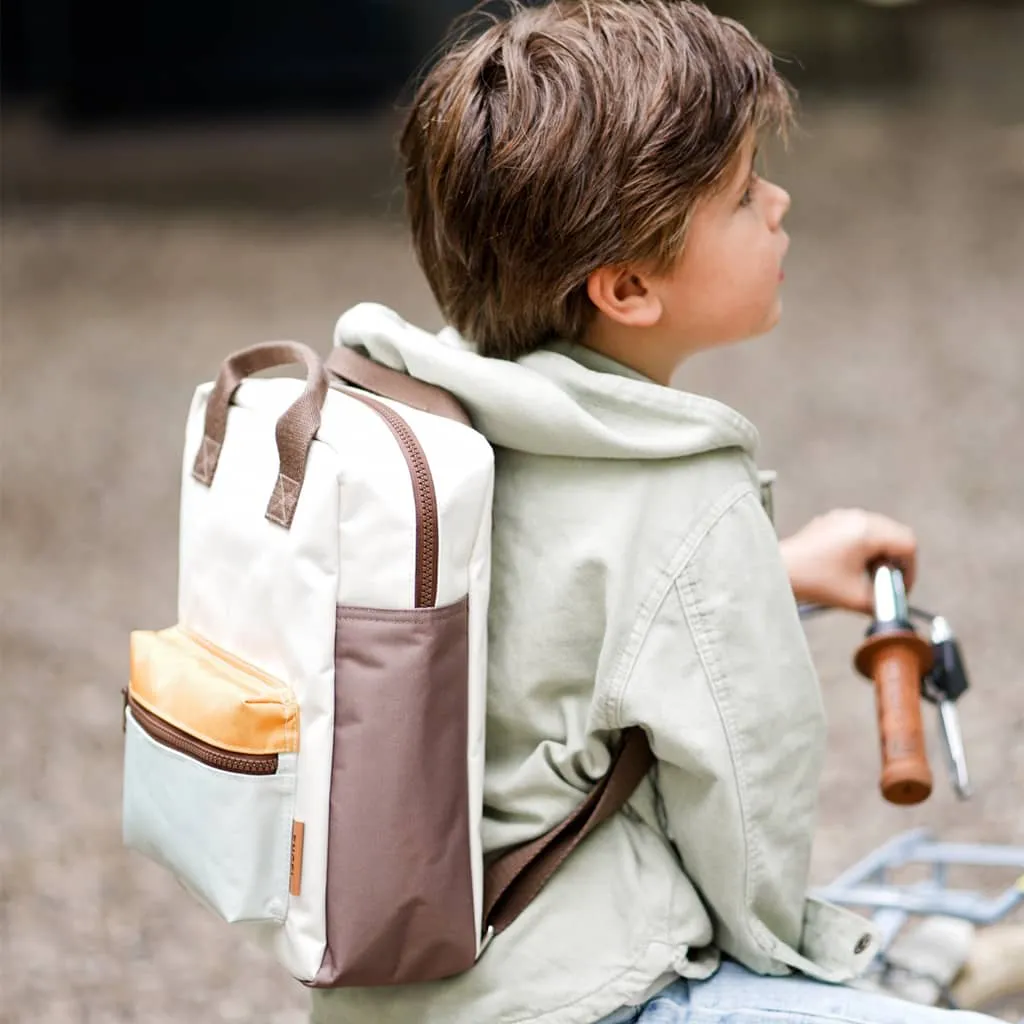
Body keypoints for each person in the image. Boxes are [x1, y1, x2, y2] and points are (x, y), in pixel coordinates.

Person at [313, 2, 994, 1022]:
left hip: (393, 978)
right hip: (589, 996)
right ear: (627, 287)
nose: (779, 201)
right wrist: (814, 966)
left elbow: (561, 615)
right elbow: (749, 827)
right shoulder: (685, 500)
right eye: (738, 195)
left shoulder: (444, 417)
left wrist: (778, 567)